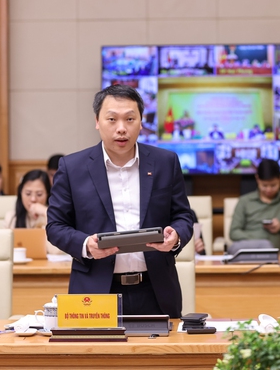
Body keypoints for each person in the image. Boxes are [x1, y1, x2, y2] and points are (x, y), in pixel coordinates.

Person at [46, 84, 193, 318]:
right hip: (95, 291)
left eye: (130, 119)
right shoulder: (72, 167)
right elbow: (55, 227)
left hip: (156, 291)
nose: (121, 128)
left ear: (141, 122)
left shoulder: (165, 162)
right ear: (97, 121)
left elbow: (183, 216)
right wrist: (86, 245)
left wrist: (176, 236)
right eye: (112, 119)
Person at [229, 159, 280, 250]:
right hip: (248, 249)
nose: (268, 190)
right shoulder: (244, 201)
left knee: (267, 246)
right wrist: (258, 240)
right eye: (264, 185)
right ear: (257, 179)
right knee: (264, 245)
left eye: (273, 185)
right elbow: (234, 233)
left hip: (274, 251)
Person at [4, 169, 63, 255]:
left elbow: (57, 251)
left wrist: (46, 213)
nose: (33, 199)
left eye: (39, 194)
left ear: (48, 194)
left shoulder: (57, 216)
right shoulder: (11, 217)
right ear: (20, 193)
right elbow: (5, 250)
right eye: (28, 194)